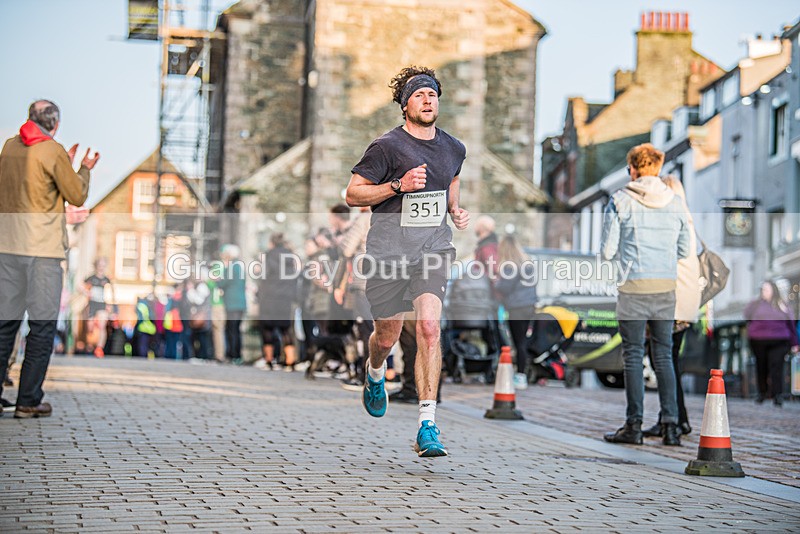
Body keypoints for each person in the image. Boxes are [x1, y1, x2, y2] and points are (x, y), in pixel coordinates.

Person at [345, 65, 470, 457]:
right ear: (405, 104)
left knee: (430, 328)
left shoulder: (454, 148)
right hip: (387, 253)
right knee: (387, 337)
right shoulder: (387, 147)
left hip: (432, 249)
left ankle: (428, 425)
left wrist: (455, 209)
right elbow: (353, 194)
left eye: (432, 93)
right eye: (419, 94)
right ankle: (375, 372)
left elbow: (452, 179)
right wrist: (398, 185)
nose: (428, 99)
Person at [0, 100, 99, 418]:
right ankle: (28, 400)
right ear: (54, 124)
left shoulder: (9, 148)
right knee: (41, 327)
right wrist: (82, 168)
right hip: (41, 252)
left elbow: (32, 186)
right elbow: (76, 195)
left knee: (5, 325)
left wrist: (62, 163)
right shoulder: (52, 150)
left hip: (7, 248)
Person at [600, 143, 689, 446]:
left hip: (633, 287)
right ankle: (671, 426)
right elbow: (685, 250)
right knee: (664, 356)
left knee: (634, 356)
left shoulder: (620, 200)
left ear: (633, 169)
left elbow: (607, 251)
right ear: (658, 168)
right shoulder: (675, 202)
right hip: (665, 288)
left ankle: (634, 425)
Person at [642, 176, 702, 438]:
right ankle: (677, 418)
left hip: (671, 300)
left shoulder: (671, 220)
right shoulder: (687, 219)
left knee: (662, 359)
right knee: (670, 360)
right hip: (686, 301)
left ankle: (672, 419)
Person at [744, 280, 799, 407]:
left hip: (779, 341)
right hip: (758, 340)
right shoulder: (756, 304)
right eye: (762, 289)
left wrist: (795, 343)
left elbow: (791, 324)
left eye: (767, 289)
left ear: (773, 291)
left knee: (776, 367)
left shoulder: (782, 305)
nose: (764, 292)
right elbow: (746, 315)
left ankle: (777, 394)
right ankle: (762, 393)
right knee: (761, 366)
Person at [494, 235, 537, 390]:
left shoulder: (510, 266)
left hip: (516, 307)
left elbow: (505, 287)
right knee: (523, 341)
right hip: (529, 306)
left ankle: (520, 376)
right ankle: (522, 373)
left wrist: (495, 282)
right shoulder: (527, 263)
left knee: (518, 342)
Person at [257, 233, 298, 370]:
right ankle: (290, 361)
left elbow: (263, 275)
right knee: (286, 329)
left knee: (267, 328)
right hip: (285, 298)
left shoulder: (268, 255)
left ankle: (269, 361)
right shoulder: (290, 257)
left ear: (272, 242)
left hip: (269, 297)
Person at [218, 244, 247, 362]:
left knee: (231, 329)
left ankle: (232, 355)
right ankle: (237, 355)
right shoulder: (239, 267)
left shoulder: (231, 267)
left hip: (232, 303)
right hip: (240, 303)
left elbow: (221, 283)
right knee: (236, 330)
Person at [84, 257, 115, 357]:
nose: (101, 268)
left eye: (103, 265)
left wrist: (110, 304)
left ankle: (99, 348)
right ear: (96, 266)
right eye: (99, 265)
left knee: (102, 326)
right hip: (92, 304)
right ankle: (90, 344)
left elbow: (112, 291)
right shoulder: (91, 278)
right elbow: (80, 286)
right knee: (90, 327)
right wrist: (86, 292)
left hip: (102, 304)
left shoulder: (106, 279)